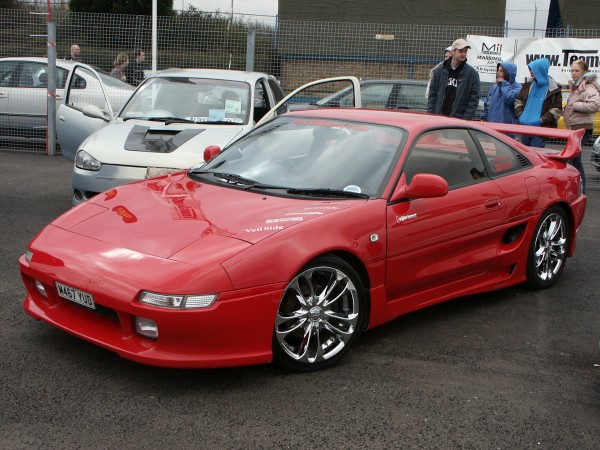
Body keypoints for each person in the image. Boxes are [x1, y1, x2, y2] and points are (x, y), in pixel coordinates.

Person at [563, 59, 600, 192]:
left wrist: (576, 106)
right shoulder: (576, 85)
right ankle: (579, 190)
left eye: (577, 70)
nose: (573, 73)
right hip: (574, 127)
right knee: (575, 160)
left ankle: (578, 190)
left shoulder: (587, 86)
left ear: (584, 71)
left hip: (582, 128)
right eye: (572, 70)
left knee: (573, 160)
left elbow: (595, 104)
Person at [427, 38, 480, 120]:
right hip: (438, 119)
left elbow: (473, 100)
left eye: (465, 51)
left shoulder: (472, 74)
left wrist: (465, 120)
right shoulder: (439, 71)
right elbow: (432, 95)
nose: (463, 54)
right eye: (461, 51)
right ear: (453, 52)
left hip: (458, 122)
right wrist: (431, 116)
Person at [514, 57, 562, 148]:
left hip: (540, 130)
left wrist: (541, 120)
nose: (531, 71)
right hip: (524, 128)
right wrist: (520, 115)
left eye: (533, 69)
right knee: (524, 154)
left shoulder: (554, 88)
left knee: (536, 154)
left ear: (541, 70)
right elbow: (518, 101)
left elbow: (557, 109)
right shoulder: (527, 84)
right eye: (530, 69)